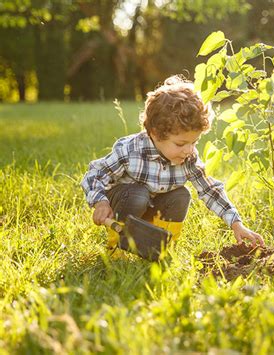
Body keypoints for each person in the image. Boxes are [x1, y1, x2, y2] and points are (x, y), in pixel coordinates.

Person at [81, 75, 264, 249]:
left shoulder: (188, 158)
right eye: (181, 143)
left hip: (153, 209)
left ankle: (159, 246)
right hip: (126, 204)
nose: (189, 149)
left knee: (181, 195)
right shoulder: (130, 150)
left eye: (194, 142)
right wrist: (101, 202)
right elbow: (95, 174)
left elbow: (209, 189)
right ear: (155, 133)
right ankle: (118, 246)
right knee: (138, 195)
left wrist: (236, 223)